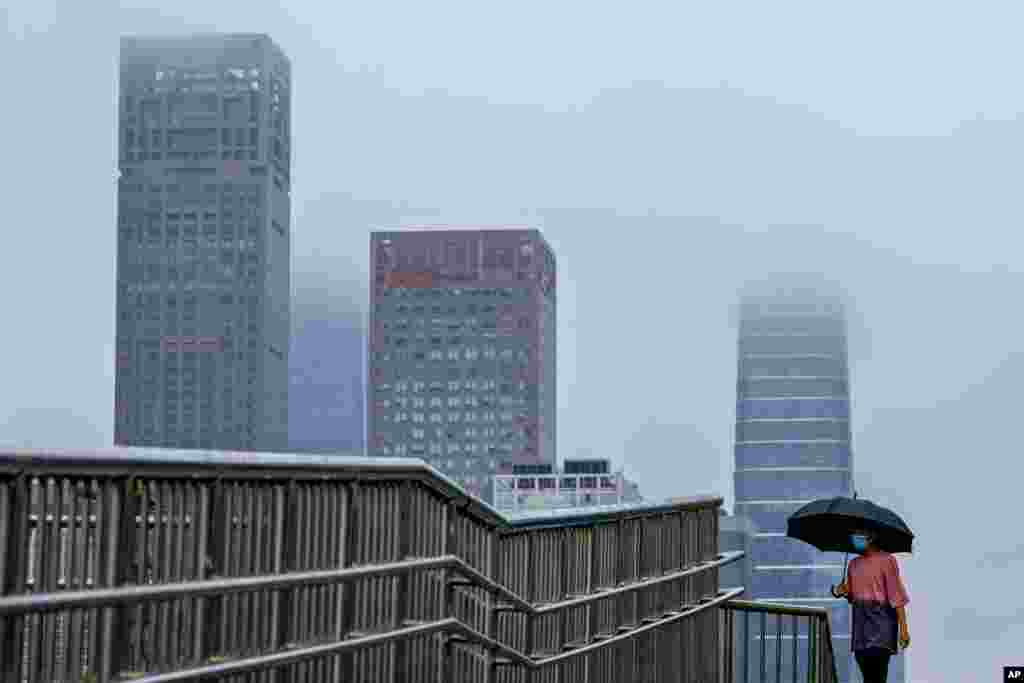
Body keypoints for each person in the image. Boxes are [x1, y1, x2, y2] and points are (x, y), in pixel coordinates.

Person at [831, 529, 910, 683]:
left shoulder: (887, 560)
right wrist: (843, 591)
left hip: (882, 623)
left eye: (859, 535)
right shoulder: (853, 564)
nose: (855, 539)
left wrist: (903, 629)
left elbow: (896, 595)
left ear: (872, 537)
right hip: (861, 624)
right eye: (854, 535)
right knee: (866, 672)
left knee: (878, 672)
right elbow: (853, 596)